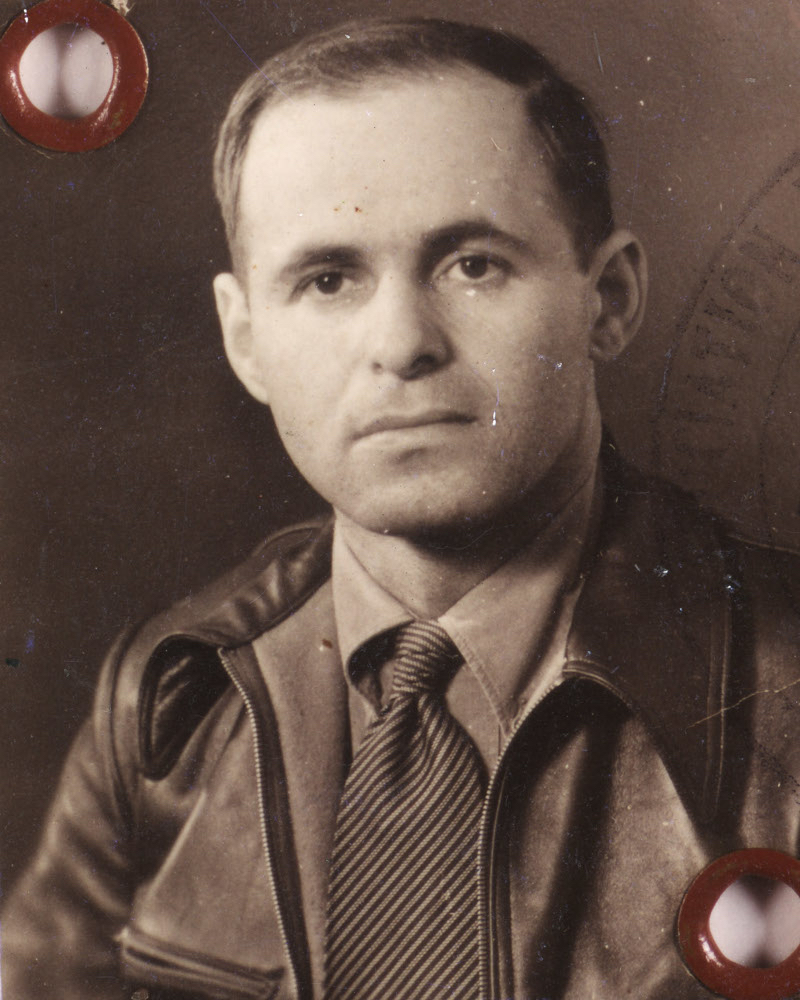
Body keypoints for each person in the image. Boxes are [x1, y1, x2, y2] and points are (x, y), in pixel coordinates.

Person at [4, 17, 800, 1000]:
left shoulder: (781, 689)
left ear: (609, 299)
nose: (401, 344)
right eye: (327, 279)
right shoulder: (170, 694)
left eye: (472, 264)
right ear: (245, 341)